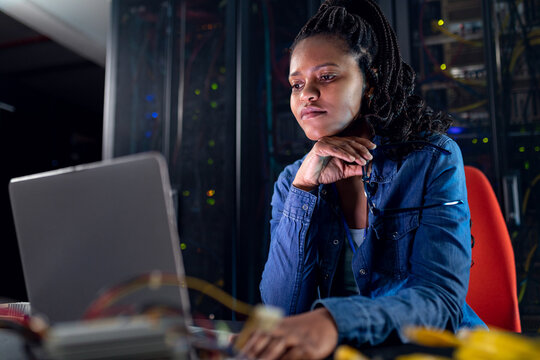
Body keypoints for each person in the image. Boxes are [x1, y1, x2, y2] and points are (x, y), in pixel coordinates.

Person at [240, 0, 486, 359]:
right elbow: (281, 310)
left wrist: (335, 321)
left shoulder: (433, 159)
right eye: (296, 84)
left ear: (370, 82)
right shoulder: (293, 180)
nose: (307, 93)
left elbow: (440, 302)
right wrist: (304, 190)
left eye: (326, 76)